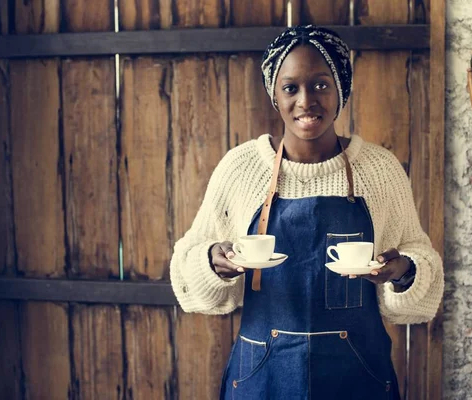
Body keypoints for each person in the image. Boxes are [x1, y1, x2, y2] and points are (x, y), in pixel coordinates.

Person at [170, 25, 443, 400]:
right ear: (274, 95)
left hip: (358, 375)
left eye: (320, 85)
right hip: (261, 376)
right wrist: (210, 262)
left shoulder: (379, 169)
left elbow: (421, 257)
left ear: (340, 90)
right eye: (290, 88)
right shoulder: (242, 168)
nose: (305, 101)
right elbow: (187, 266)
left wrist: (404, 271)